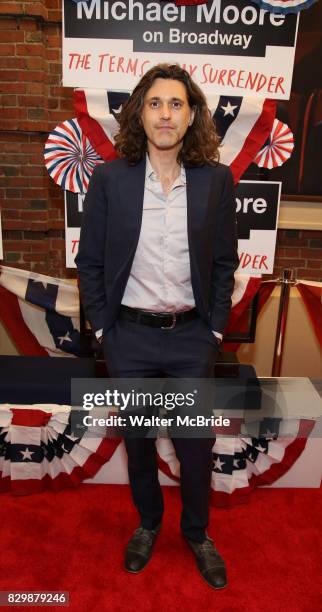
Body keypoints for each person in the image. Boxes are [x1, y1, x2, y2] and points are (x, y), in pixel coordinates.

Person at [75, 63, 239, 590]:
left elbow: (223, 263)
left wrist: (213, 329)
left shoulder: (216, 180)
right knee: (140, 443)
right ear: (139, 114)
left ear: (191, 116)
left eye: (176, 104)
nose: (165, 114)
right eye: (154, 103)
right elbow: (91, 262)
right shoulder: (110, 178)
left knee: (196, 447)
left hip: (192, 338)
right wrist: (104, 330)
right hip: (130, 339)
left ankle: (197, 532)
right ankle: (148, 524)